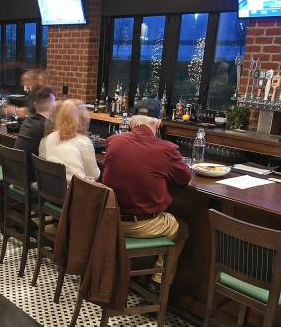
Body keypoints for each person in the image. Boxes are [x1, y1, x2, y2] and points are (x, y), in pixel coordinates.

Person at [101, 100, 191, 282]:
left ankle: (132, 271)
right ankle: (158, 282)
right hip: (141, 225)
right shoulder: (167, 150)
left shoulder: (113, 142)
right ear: (158, 123)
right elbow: (184, 178)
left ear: (132, 122)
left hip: (109, 219)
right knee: (182, 228)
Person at [39, 99, 100, 182]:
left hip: (51, 190)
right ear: (84, 119)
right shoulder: (84, 142)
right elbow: (93, 176)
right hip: (75, 192)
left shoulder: (49, 138)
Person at [14, 86, 57, 158]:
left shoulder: (27, 120)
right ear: (53, 106)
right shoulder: (46, 127)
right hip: (29, 168)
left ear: (34, 105)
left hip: (16, 166)